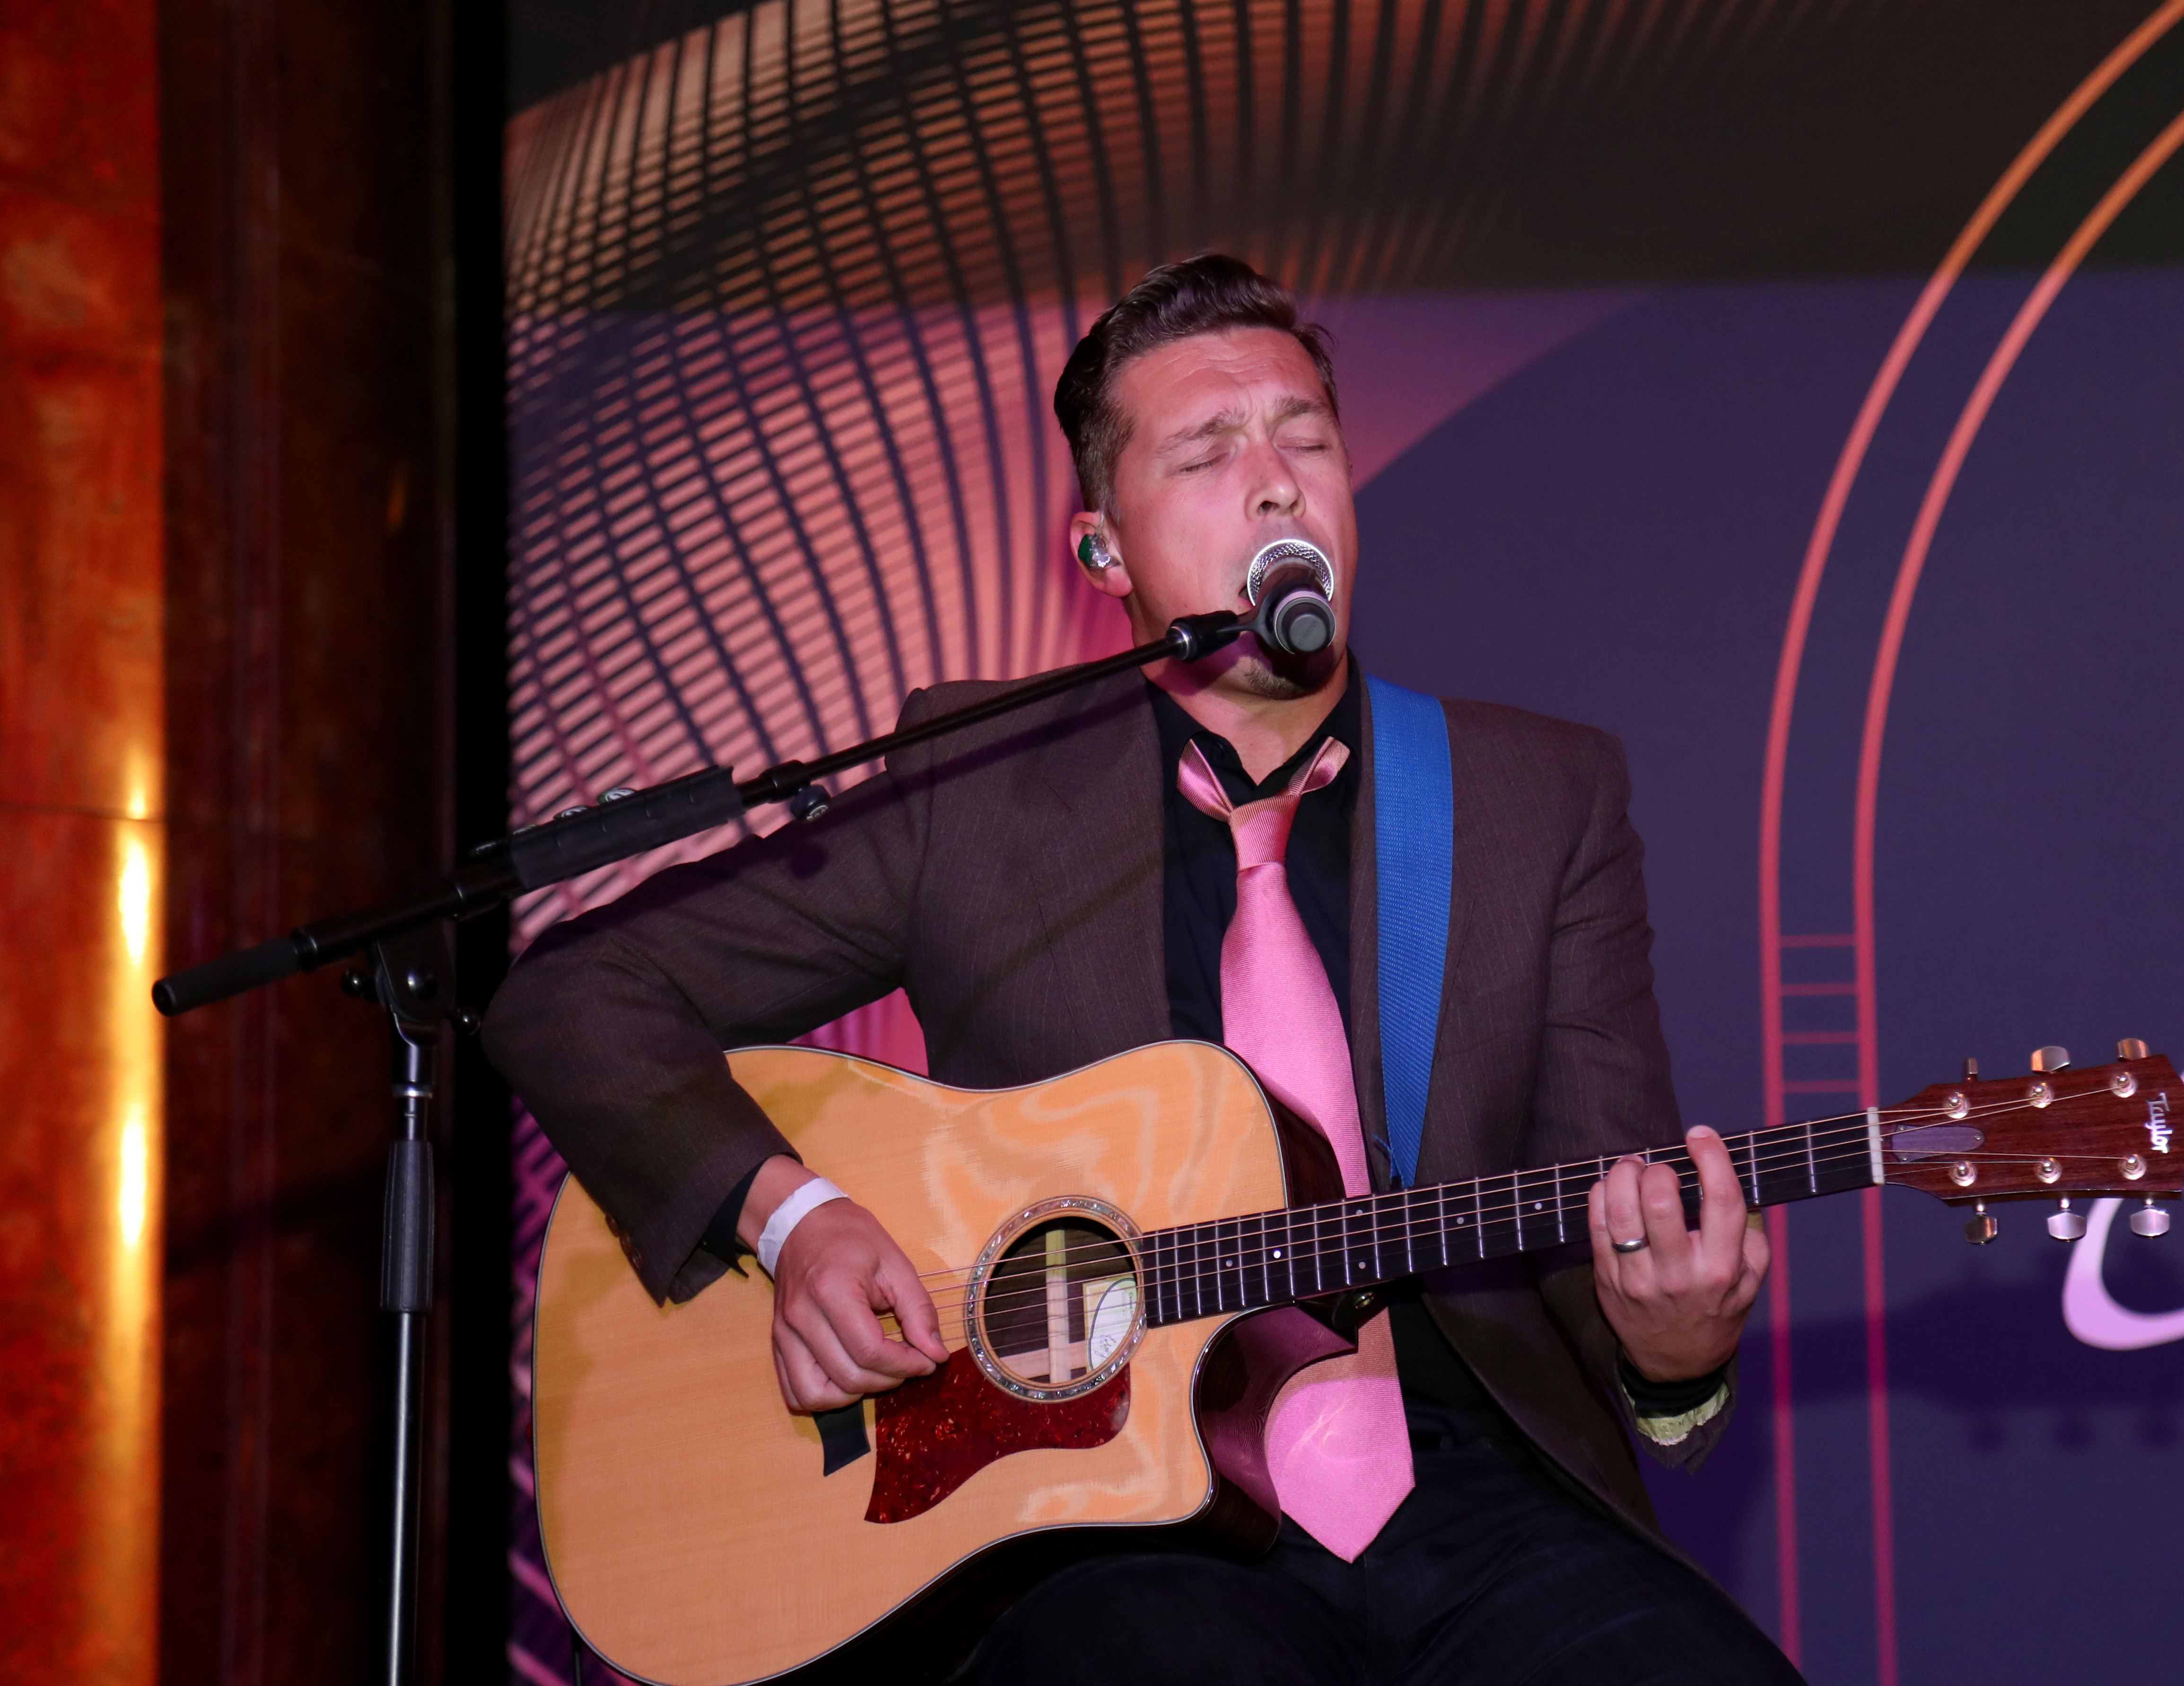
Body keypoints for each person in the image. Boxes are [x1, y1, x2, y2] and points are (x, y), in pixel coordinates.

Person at [485, 254, 1802, 1686]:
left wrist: (1678, 1360)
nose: (1281, 483)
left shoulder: (1536, 798)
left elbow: (1617, 1232)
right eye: (1209, 452)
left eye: (1306, 437)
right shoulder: (973, 788)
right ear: (1104, 552)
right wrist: (792, 1219)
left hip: (1472, 1495)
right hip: (1099, 1527)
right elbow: (575, 993)